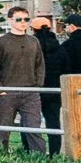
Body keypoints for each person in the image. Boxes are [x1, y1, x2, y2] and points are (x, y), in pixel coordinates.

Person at [0, 5, 47, 153]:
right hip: (7, 92)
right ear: (10, 21)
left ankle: (39, 160)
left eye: (26, 19)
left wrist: (37, 86)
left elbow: (40, 65)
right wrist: (0, 90)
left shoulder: (33, 41)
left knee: (33, 129)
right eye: (19, 19)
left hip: (30, 93)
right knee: (2, 130)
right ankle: (0, 159)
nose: (23, 22)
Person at [34, 12, 65, 151]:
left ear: (33, 29)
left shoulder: (32, 47)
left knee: (30, 122)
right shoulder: (60, 48)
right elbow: (66, 69)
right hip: (54, 91)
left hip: (36, 89)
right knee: (53, 123)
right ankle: (55, 152)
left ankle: (32, 150)